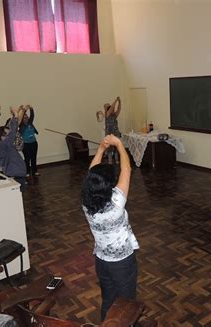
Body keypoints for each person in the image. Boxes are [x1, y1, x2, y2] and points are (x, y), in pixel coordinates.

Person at [81, 134, 139, 321]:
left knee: (109, 300)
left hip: (101, 261)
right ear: (108, 186)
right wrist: (120, 145)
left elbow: (91, 175)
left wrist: (100, 149)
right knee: (126, 304)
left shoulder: (86, 203)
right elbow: (127, 170)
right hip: (122, 262)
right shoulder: (116, 204)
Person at [0, 106, 27, 191]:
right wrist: (15, 116)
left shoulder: (7, 144)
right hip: (14, 176)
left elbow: (14, 130)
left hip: (18, 175)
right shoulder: (2, 145)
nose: (10, 136)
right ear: (2, 137)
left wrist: (17, 115)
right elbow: (13, 131)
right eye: (7, 135)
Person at [20, 105, 39, 177]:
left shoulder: (30, 123)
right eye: (24, 118)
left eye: (27, 117)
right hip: (26, 144)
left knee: (34, 158)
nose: (26, 118)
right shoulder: (21, 126)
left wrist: (31, 109)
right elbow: (18, 118)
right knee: (27, 159)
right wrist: (23, 110)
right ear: (22, 119)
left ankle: (35, 171)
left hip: (33, 143)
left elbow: (32, 116)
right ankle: (27, 172)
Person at [104, 97, 121, 164]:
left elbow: (119, 109)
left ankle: (116, 160)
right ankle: (110, 161)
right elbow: (111, 108)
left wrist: (120, 102)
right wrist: (116, 100)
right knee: (109, 149)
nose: (113, 110)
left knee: (116, 148)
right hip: (109, 134)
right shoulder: (107, 115)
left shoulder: (114, 115)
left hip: (116, 133)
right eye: (112, 109)